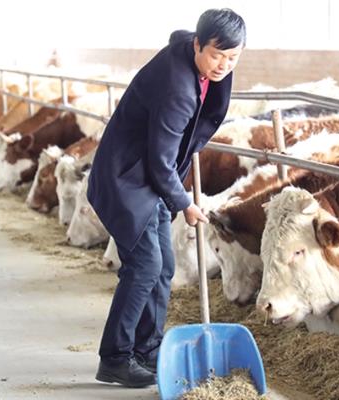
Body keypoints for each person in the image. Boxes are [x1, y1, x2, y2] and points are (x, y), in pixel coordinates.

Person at [87, 9, 246, 388]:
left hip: (151, 179)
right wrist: (185, 204)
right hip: (128, 178)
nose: (223, 65)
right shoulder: (177, 88)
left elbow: (170, 153)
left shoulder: (203, 60)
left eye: (232, 57)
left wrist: (175, 187)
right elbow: (160, 162)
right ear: (197, 45)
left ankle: (148, 349)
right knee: (144, 266)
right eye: (215, 55)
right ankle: (115, 357)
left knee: (163, 266)